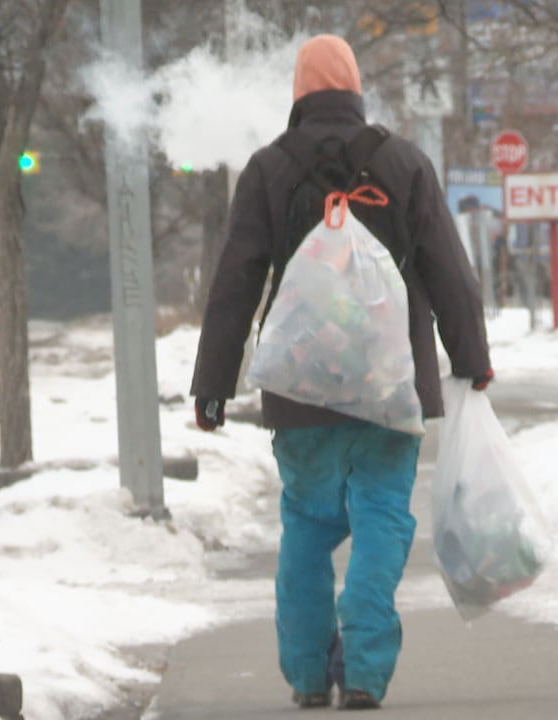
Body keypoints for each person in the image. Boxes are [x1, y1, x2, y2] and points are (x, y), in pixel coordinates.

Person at [190, 34, 493, 711]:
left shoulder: (268, 169)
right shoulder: (404, 163)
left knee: (306, 525)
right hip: (390, 391)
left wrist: (212, 383)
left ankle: (305, 675)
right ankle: (363, 667)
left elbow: (235, 283)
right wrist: (471, 360)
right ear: (356, 93)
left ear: (298, 96)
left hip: (301, 391)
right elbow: (450, 272)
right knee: (382, 519)